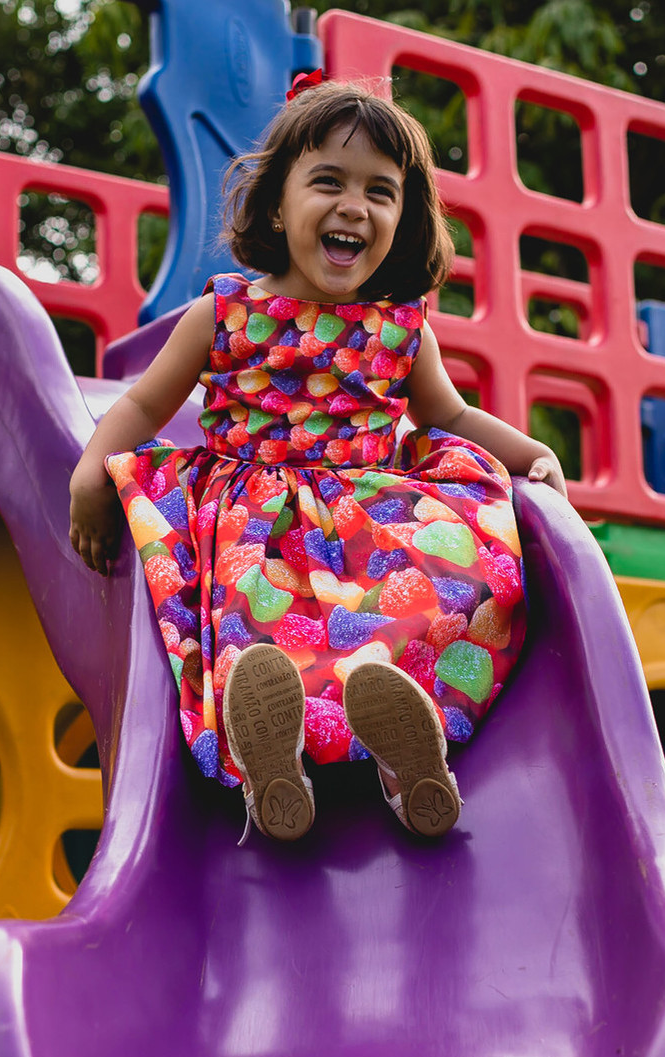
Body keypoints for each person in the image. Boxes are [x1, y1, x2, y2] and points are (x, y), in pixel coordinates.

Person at [69, 74, 568, 843]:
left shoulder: (403, 333)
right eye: (329, 182)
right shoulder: (223, 314)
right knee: (254, 623)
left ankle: (408, 760)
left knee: (447, 586)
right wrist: (89, 473)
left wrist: (530, 452)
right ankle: (272, 767)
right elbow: (140, 407)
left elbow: (451, 416)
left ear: (402, 220)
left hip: (368, 525)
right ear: (277, 204)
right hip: (255, 526)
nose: (354, 206)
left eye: (379, 191)